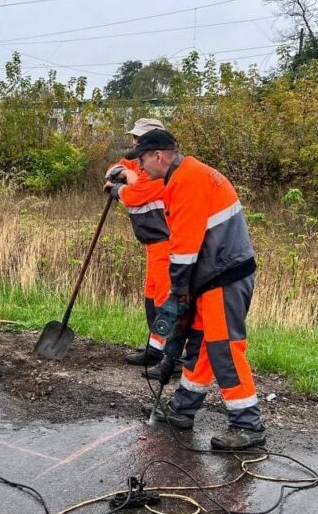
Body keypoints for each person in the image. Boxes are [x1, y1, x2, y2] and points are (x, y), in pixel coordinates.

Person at [107, 128, 265, 451]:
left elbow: (184, 248)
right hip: (212, 275)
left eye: (143, 161)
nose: (141, 168)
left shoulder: (187, 180)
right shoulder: (180, 176)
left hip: (224, 275)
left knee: (224, 347)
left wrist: (178, 295)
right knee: (200, 345)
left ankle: (249, 424)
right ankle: (183, 407)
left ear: (159, 157)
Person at [104, 118, 172, 375]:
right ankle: (155, 349)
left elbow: (134, 196)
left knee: (166, 301)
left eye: (139, 139)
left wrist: (117, 186)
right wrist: (125, 174)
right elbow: (114, 167)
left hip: (169, 244)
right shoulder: (141, 166)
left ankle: (172, 357)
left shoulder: (160, 173)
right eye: (134, 138)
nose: (134, 143)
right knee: (152, 298)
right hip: (153, 246)